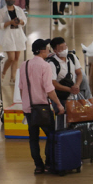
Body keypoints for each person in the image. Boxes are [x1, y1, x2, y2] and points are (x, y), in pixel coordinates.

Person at [20, 39, 65, 174]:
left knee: (33, 138)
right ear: (42, 51)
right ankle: (48, 164)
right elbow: (49, 89)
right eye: (46, 48)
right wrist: (58, 105)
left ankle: (38, 166)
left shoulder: (24, 65)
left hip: (29, 108)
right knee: (51, 136)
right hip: (43, 108)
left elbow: (21, 88)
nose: (48, 50)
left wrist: (26, 104)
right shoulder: (45, 66)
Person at [0, 0, 27, 84]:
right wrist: (10, 22)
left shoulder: (19, 10)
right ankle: (3, 73)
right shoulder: (1, 11)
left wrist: (20, 22)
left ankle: (13, 78)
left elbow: (24, 21)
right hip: (8, 36)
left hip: (18, 35)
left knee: (16, 58)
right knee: (11, 58)